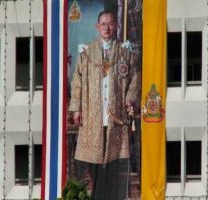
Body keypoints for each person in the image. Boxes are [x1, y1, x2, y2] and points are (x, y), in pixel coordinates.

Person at [69, 10, 140, 200]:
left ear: (115, 26)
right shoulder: (87, 53)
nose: (107, 27)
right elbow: (77, 81)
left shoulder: (125, 52)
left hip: (115, 116)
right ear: (97, 26)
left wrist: (129, 100)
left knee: (114, 163)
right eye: (103, 24)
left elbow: (134, 80)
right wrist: (76, 108)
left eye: (110, 24)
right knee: (94, 163)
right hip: (93, 115)